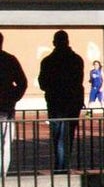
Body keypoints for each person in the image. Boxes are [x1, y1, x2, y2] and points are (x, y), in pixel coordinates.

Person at [37, 30, 85, 173]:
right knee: (68, 135)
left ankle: (60, 165)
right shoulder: (76, 59)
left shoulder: (47, 61)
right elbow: (78, 81)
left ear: (54, 43)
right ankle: (63, 164)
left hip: (55, 101)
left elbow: (42, 83)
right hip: (71, 101)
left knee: (58, 135)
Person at [0, 33, 28, 177]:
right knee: (5, 146)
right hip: (6, 108)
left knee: (4, 145)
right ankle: (2, 176)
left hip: (6, 108)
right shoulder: (10, 60)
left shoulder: (9, 60)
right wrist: (13, 98)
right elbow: (22, 83)